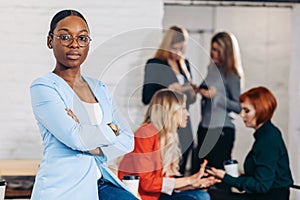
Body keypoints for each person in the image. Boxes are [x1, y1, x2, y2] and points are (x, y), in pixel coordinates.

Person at [30, 9, 137, 200]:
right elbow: (76, 138)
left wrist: (87, 131)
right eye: (64, 37)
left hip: (100, 183)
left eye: (82, 38)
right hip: (64, 188)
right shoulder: (44, 87)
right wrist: (110, 130)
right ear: (50, 41)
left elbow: (128, 141)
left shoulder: (99, 88)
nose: (74, 44)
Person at [118, 89, 219, 200]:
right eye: (183, 109)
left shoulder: (168, 137)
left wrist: (193, 184)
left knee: (201, 195)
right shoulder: (146, 132)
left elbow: (165, 184)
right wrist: (189, 180)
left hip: (156, 195)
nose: (187, 113)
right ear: (170, 111)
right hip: (140, 196)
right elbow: (147, 184)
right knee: (200, 197)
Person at [206, 86, 293, 200]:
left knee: (209, 196)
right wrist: (234, 177)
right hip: (269, 194)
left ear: (261, 110)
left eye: (246, 110)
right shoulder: (267, 133)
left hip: (270, 196)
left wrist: (227, 178)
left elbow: (261, 185)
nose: (242, 115)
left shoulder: (267, 139)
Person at [142, 25, 197, 175]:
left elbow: (191, 101)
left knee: (184, 159)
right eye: (174, 48)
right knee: (163, 165)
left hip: (183, 121)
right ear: (168, 45)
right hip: (165, 120)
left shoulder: (184, 64)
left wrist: (189, 90)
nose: (178, 52)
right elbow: (146, 97)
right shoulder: (154, 64)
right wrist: (168, 88)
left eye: (181, 48)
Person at [194, 31, 244, 173]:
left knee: (217, 173)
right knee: (201, 171)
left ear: (226, 52)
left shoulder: (232, 74)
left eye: (217, 50)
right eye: (212, 48)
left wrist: (218, 97)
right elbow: (207, 90)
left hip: (222, 129)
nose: (212, 53)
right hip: (205, 126)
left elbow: (239, 107)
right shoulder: (211, 69)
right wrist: (199, 91)